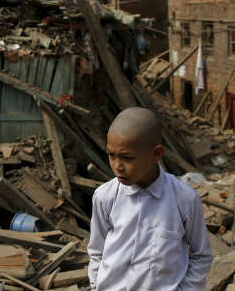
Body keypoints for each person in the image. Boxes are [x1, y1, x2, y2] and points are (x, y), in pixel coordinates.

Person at [88, 107, 213, 291]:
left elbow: (201, 255)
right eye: (111, 155)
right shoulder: (105, 197)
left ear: (156, 154)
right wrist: (97, 285)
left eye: (127, 158)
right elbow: (96, 252)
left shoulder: (184, 199)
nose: (117, 166)